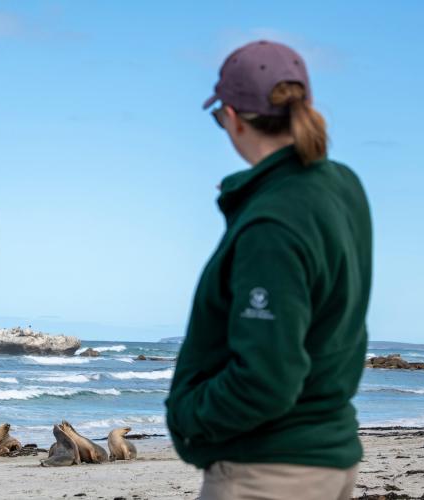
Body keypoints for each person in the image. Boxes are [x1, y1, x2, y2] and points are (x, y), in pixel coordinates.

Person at [166, 40, 372, 500]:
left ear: (232, 117)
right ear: (306, 104)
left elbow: (267, 378)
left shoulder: (273, 221)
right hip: (327, 453)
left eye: (219, 117)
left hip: (268, 470)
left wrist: (187, 416)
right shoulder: (342, 186)